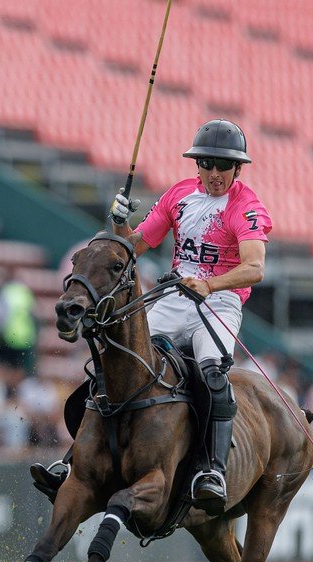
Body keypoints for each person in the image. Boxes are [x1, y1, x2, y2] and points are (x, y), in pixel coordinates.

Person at [31, 119, 271, 517]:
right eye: (207, 164)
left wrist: (209, 285)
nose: (214, 173)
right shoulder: (179, 195)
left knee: (212, 372)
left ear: (237, 169)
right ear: (197, 165)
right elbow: (134, 246)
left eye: (223, 166)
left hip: (220, 301)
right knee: (121, 360)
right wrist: (120, 221)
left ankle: (212, 470)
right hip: (175, 297)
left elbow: (254, 267)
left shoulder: (246, 207)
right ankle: (73, 461)